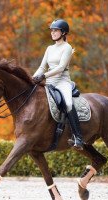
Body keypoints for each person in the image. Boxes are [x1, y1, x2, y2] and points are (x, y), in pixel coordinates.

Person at [32, 19, 84, 150]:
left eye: (56, 30)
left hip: (62, 82)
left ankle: (78, 138)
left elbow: (61, 68)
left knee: (68, 103)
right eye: (52, 30)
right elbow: (42, 67)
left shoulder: (67, 47)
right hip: (49, 82)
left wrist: (43, 76)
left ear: (63, 32)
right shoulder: (49, 48)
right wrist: (32, 78)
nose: (53, 33)